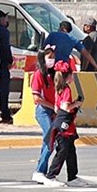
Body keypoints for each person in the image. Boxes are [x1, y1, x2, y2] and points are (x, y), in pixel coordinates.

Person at [43, 60, 84, 187]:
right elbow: (66, 107)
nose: (73, 77)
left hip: (63, 120)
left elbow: (56, 108)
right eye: (72, 75)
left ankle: (72, 176)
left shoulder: (58, 89)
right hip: (64, 123)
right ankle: (51, 175)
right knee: (63, 150)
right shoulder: (66, 90)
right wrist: (76, 103)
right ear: (68, 76)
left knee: (71, 150)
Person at [30, 48, 59, 184]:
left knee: (47, 141)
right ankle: (40, 171)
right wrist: (52, 106)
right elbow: (37, 98)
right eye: (49, 57)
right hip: (43, 110)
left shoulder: (52, 75)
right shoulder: (38, 74)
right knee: (50, 139)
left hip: (52, 111)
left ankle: (42, 170)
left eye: (53, 57)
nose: (52, 59)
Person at [0, 10, 14, 122]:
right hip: (2, 64)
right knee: (4, 90)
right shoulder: (3, 32)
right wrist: (9, 61)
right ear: (1, 20)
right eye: (6, 19)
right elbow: (6, 48)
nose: (7, 21)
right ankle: (5, 114)